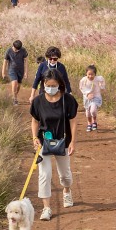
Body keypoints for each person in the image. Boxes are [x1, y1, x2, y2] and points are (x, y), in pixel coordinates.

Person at [30, 69, 78, 221]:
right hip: (44, 141)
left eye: (53, 85)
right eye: (47, 85)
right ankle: (46, 208)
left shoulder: (68, 100)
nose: (50, 88)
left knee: (65, 174)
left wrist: (73, 141)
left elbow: (73, 121)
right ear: (43, 84)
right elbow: (35, 121)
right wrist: (34, 138)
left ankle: (67, 191)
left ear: (59, 84)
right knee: (44, 175)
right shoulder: (38, 101)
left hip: (62, 141)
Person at [78, 65, 106, 132]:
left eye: (92, 74)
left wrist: (102, 87)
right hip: (87, 98)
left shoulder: (98, 78)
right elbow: (81, 88)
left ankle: (94, 121)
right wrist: (87, 94)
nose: (90, 76)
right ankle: (89, 123)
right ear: (86, 74)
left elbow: (102, 81)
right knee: (88, 113)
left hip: (96, 96)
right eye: (89, 74)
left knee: (93, 110)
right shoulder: (83, 80)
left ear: (95, 74)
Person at [4, 40, 29, 104]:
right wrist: (3, 72)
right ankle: (15, 99)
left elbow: (26, 61)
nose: (17, 51)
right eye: (16, 49)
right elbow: (5, 61)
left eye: (18, 50)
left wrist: (26, 72)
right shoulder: (9, 51)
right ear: (13, 46)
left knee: (18, 85)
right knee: (14, 82)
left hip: (21, 70)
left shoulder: (23, 50)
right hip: (12, 69)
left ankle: (14, 95)